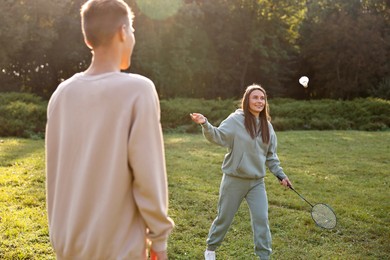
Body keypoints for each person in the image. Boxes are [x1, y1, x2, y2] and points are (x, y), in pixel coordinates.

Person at [45, 0, 174, 259]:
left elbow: (56, 177)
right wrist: (159, 240)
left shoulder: (61, 95)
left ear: (87, 39)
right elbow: (148, 177)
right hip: (116, 248)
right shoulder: (138, 90)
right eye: (134, 30)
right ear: (123, 32)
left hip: (68, 245)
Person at [190, 84, 292, 260]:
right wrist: (205, 124)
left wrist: (280, 175)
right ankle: (211, 249)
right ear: (247, 100)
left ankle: (264, 256)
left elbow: (271, 156)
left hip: (257, 182)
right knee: (224, 218)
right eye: (255, 97)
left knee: (261, 220)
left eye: (262, 98)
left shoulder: (268, 127)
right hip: (234, 180)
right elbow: (218, 136)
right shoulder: (236, 120)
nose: (259, 101)